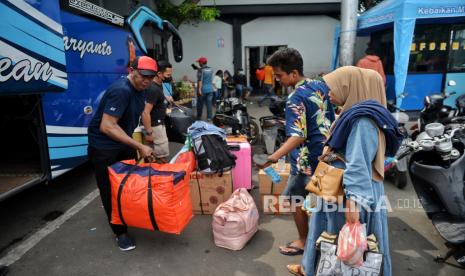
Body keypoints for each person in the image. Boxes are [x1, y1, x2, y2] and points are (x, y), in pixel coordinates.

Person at [287, 66, 397, 276]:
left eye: (333, 88)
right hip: (342, 190)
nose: (329, 94)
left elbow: (357, 164)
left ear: (351, 88)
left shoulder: (363, 121)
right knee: (332, 240)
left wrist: (353, 203)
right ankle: (310, 267)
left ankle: (319, 269)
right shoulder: (355, 115)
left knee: (342, 243)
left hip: (348, 193)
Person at [257, 48, 335, 257]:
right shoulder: (320, 85)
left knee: (295, 200)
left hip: (305, 159)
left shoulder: (295, 97)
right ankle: (322, 240)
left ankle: (303, 241)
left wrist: (273, 156)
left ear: (293, 74)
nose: (277, 80)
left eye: (280, 75)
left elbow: (298, 135)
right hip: (327, 153)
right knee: (323, 201)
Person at [87, 56, 156, 251]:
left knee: (128, 185)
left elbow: (138, 115)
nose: (147, 81)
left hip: (122, 143)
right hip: (104, 148)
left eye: (151, 77)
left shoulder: (142, 90)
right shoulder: (121, 90)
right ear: (131, 70)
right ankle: (120, 232)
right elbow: (107, 126)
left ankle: (127, 216)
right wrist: (140, 146)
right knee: (110, 190)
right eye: (143, 76)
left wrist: (144, 139)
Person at [141, 60, 171, 163]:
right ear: (159, 74)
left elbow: (156, 98)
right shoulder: (153, 89)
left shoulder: (158, 85)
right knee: (161, 158)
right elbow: (145, 112)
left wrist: (165, 97)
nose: (169, 77)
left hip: (158, 124)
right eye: (167, 74)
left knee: (155, 156)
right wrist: (149, 132)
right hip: (155, 127)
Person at [195, 57, 215, 121]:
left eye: (199, 62)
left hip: (203, 89)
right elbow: (210, 78)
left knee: (200, 104)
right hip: (210, 89)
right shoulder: (211, 69)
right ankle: (209, 118)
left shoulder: (200, 70)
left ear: (201, 63)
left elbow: (200, 80)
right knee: (209, 104)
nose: (198, 63)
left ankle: (199, 117)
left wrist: (199, 89)